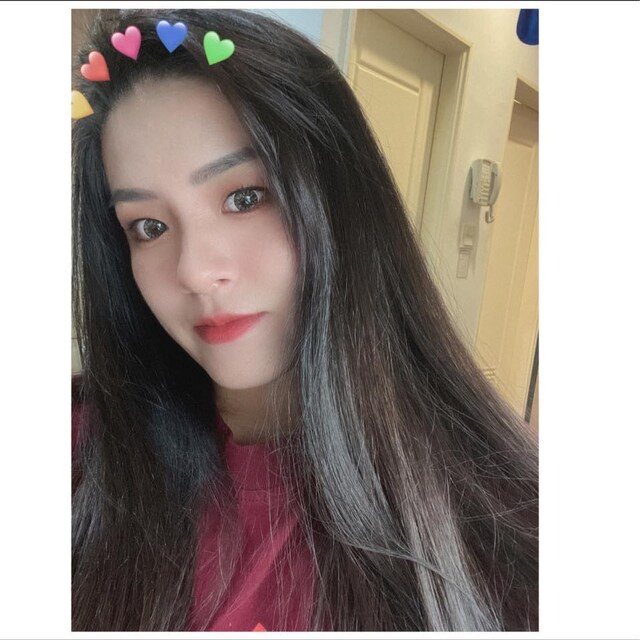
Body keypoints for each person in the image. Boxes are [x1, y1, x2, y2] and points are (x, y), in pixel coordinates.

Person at [71, 8, 538, 632]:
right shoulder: (82, 448)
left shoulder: (506, 522)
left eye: (244, 198)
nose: (195, 271)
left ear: (342, 201)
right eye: (149, 227)